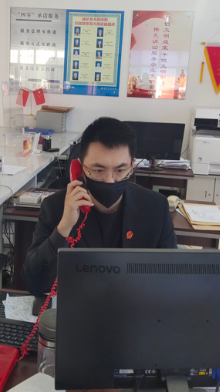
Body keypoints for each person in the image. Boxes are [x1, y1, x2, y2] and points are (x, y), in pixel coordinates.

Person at [22, 117, 177, 294]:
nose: (110, 180)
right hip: (78, 306)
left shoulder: (155, 207)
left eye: (120, 170)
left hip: (136, 304)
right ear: (80, 167)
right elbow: (33, 283)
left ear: (132, 166)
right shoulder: (56, 207)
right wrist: (64, 228)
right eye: (98, 170)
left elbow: (171, 278)